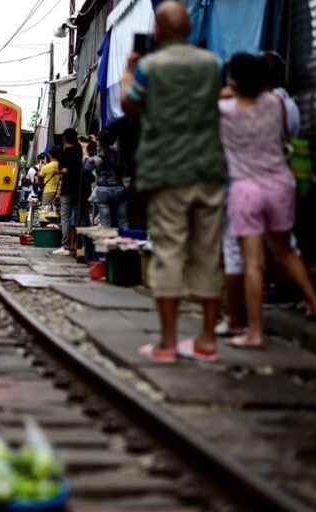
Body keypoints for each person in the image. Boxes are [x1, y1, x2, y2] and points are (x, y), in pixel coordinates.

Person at [121, 1, 227, 363]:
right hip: (210, 169)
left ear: (159, 31)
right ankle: (207, 341)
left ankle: (167, 343)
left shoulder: (150, 67)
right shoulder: (213, 64)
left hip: (167, 172)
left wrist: (128, 72)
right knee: (208, 254)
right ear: (189, 29)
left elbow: (129, 104)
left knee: (168, 252)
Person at [220, 53, 316, 348]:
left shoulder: (224, 110)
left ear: (233, 80)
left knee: (254, 264)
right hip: (280, 185)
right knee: (286, 250)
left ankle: (254, 332)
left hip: (247, 191)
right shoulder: (277, 103)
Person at [89, 130, 128, 228]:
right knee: (123, 221)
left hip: (103, 190)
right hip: (119, 188)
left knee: (105, 222)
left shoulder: (98, 157)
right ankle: (125, 241)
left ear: (100, 141)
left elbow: (87, 167)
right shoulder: (119, 155)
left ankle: (108, 242)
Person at [54, 128, 83, 256]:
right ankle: (75, 246)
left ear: (65, 138)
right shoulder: (79, 150)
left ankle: (65, 246)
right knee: (75, 217)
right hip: (78, 188)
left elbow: (60, 169)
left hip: (67, 189)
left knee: (65, 217)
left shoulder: (65, 152)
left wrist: (64, 170)